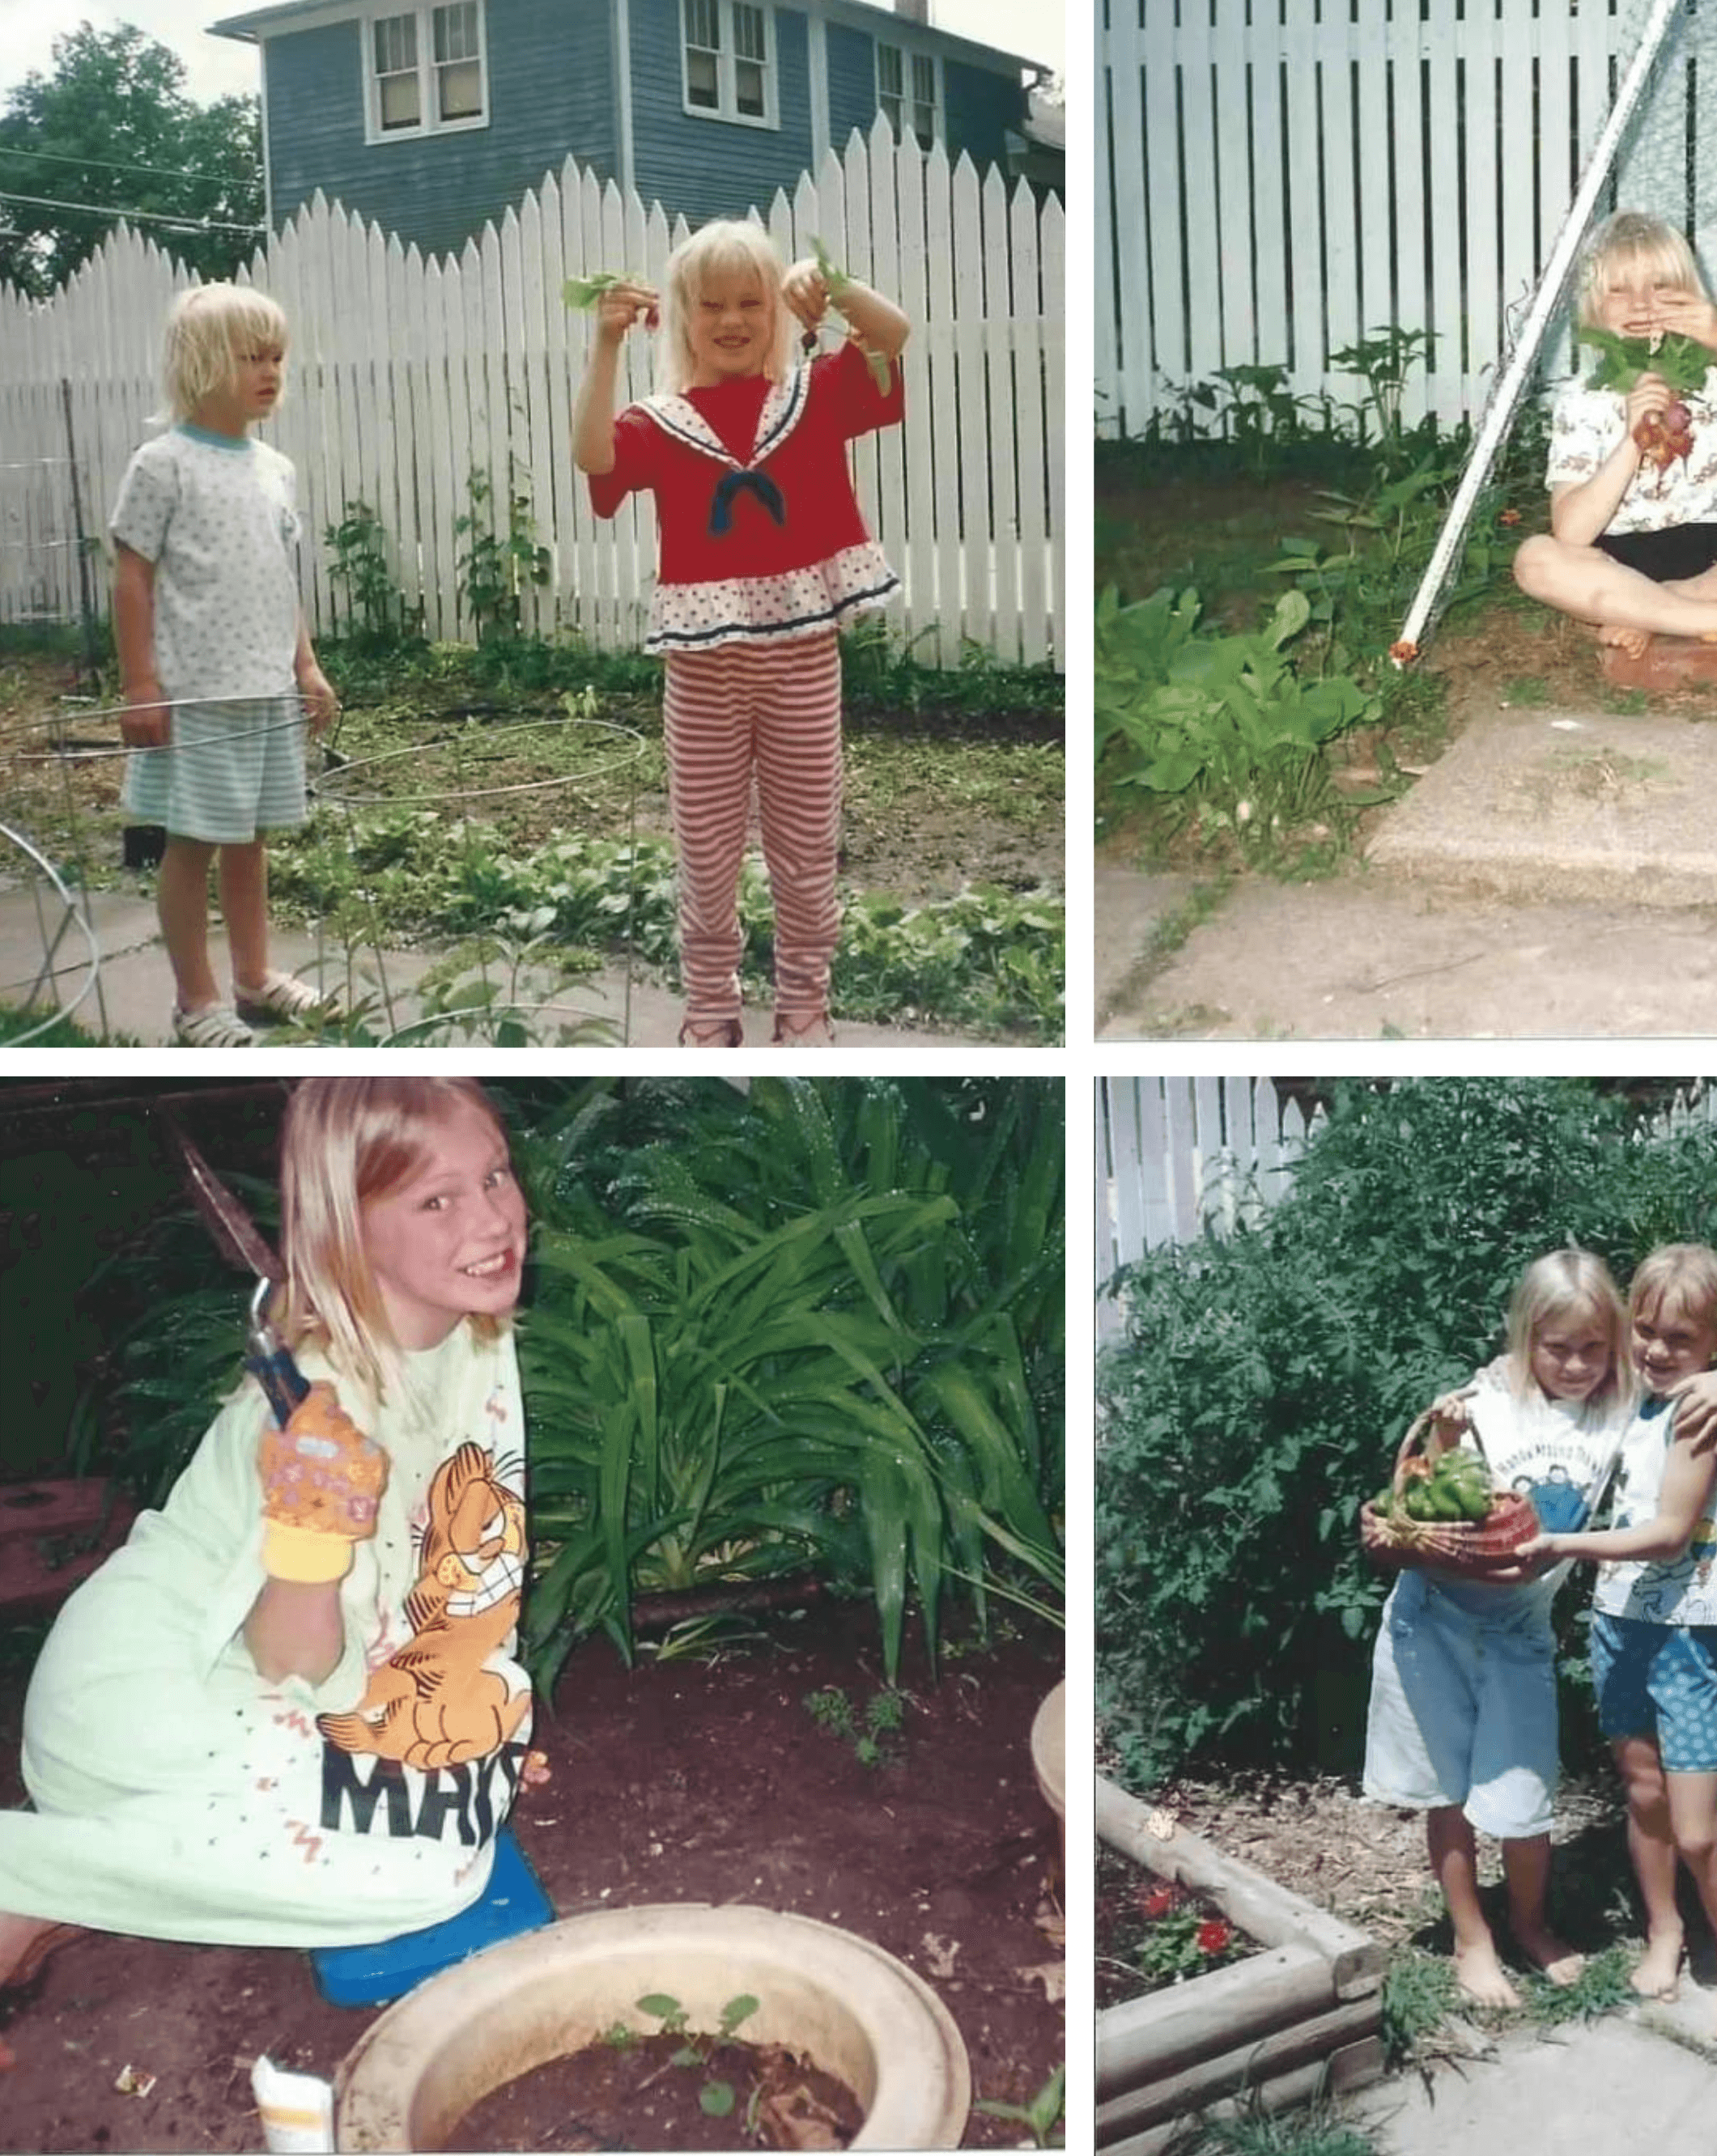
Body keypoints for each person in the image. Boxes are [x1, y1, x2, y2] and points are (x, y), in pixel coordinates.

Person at [0, 1078, 543, 2066]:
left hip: (260, 1680)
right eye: (437, 1200)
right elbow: (289, 1661)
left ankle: (88, 1886)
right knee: (434, 1868)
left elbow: (457, 1569)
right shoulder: (328, 1402)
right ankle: (26, 1874)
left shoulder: (469, 1329)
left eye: (495, 1176)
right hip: (151, 1693)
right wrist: (308, 1534)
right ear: (349, 1228)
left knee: (487, 1717)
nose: (494, 1219)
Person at [1359, 1250, 1717, 2010]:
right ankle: (1475, 1940)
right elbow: (1437, 1489)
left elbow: (1714, 1355)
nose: (1575, 1364)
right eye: (1556, 1348)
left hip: (1518, 1631)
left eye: (1591, 1347)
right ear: (1526, 1338)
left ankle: (1530, 1924)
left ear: (1614, 1342)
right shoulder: (1490, 1396)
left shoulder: (1625, 1399)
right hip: (1432, 1620)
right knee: (1448, 1792)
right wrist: (1437, 1445)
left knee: (1521, 1790)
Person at [572, 219, 910, 1046]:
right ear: (681, 318)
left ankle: (804, 1004)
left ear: (774, 310)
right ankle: (711, 1008)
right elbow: (592, 458)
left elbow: (894, 335)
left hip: (802, 662)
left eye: (751, 303)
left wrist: (832, 289)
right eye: (712, 305)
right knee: (707, 848)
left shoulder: (813, 394)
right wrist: (606, 345)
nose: (732, 320)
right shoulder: (661, 422)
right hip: (704, 672)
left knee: (805, 844)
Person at [1520, 1241, 1717, 2043]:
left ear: (1712, 1346)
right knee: (1644, 1794)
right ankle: (1665, 1930)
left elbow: (1666, 1537)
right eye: (1646, 1331)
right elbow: (1535, 1366)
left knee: (1697, 1828)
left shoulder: (1699, 1411)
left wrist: (1561, 1547)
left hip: (1685, 1636)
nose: (1659, 1350)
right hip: (1620, 1627)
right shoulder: (1636, 1396)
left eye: (1682, 1340)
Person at [112, 282, 340, 1049]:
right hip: (197, 697)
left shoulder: (274, 468)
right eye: (252, 357)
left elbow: (280, 577)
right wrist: (141, 686)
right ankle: (195, 1001)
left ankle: (253, 976)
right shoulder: (161, 465)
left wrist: (304, 667)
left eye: (277, 356)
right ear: (202, 364)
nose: (271, 371)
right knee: (193, 844)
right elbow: (132, 577)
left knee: (251, 841)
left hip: (265, 690)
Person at [1511, 210, 1717, 660]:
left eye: (1660, 286)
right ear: (1593, 303)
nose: (1641, 303)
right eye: (1619, 289)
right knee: (1536, 560)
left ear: (1690, 296)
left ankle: (1652, 612)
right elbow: (1572, 533)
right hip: (1621, 560)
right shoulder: (1581, 401)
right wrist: (1633, 439)